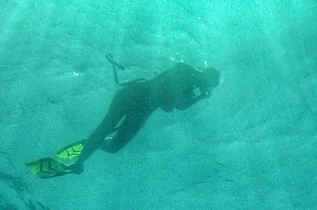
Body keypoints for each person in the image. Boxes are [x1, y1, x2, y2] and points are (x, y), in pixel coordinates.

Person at [27, 61, 220, 178]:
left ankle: (95, 144)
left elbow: (175, 106)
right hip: (133, 95)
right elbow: (172, 102)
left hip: (142, 111)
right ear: (207, 75)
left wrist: (199, 96)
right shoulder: (185, 70)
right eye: (210, 83)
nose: (207, 87)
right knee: (105, 127)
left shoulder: (190, 89)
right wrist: (197, 93)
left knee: (114, 147)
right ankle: (81, 159)